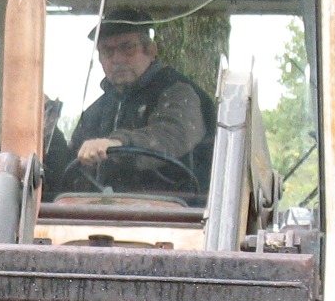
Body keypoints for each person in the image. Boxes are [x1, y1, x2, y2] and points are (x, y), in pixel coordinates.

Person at [43, 11, 213, 196]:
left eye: (128, 48)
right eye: (108, 51)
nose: (117, 59)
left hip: (176, 214)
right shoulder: (97, 111)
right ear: (100, 59)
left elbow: (172, 135)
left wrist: (118, 144)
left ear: (151, 51)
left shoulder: (178, 93)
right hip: (100, 215)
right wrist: (49, 131)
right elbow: (71, 171)